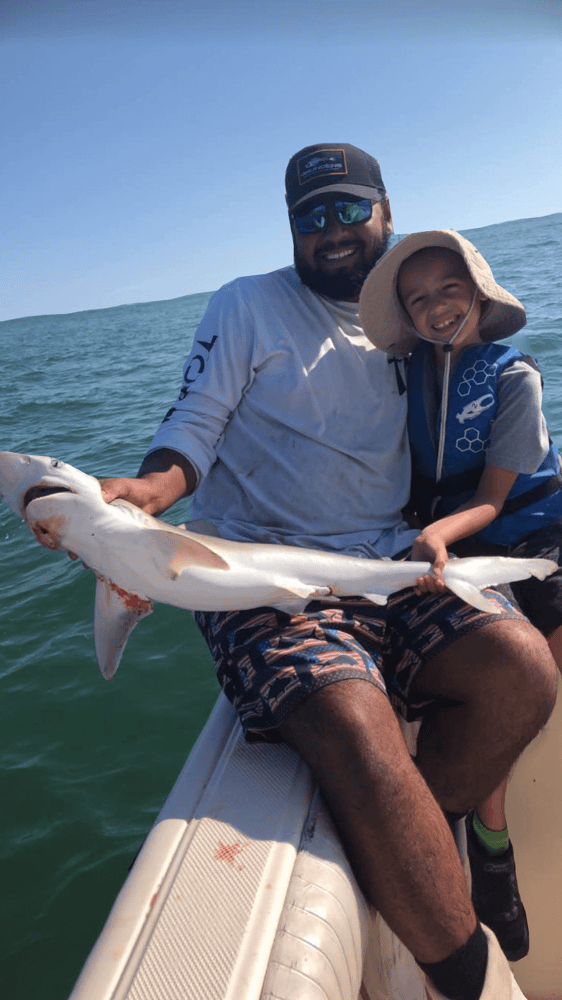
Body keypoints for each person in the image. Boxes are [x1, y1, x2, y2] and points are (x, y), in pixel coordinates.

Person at [101, 145, 558, 1000]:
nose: (334, 232)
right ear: (291, 232)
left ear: (387, 210)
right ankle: (468, 979)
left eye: (350, 210)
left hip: (386, 558)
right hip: (262, 575)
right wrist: (148, 491)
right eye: (311, 219)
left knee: (524, 670)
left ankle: (417, 849)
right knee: (356, 722)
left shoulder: (411, 324)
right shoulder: (246, 306)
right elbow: (192, 425)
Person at [359, 228, 562, 964]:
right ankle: (492, 837)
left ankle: (490, 841)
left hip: (521, 532)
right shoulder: (402, 372)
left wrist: (438, 536)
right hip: (454, 546)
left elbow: (492, 497)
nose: (436, 307)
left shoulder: (516, 377)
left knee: (548, 658)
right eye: (418, 299)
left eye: (450, 290)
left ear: (478, 294)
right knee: (497, 673)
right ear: (406, 317)